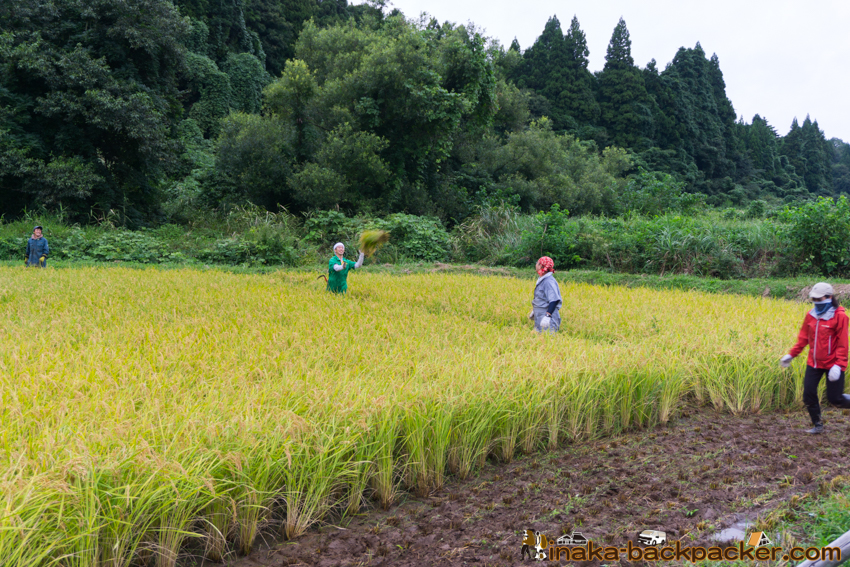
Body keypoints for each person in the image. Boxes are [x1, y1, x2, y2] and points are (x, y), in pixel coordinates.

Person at [780, 282, 850, 434]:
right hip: (814, 363)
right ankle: (817, 425)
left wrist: (838, 365)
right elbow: (803, 338)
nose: (816, 302)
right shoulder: (811, 315)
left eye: (819, 299)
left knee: (835, 399)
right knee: (808, 395)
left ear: (829, 297)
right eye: (814, 299)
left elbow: (843, 344)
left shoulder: (840, 316)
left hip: (833, 365)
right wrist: (791, 355)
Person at [529, 256, 561, 333]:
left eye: (537, 263)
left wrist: (548, 316)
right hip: (540, 316)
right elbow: (542, 298)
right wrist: (535, 310)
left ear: (541, 266)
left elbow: (554, 300)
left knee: (548, 337)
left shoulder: (548, 281)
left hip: (547, 318)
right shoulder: (542, 279)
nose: (536, 265)